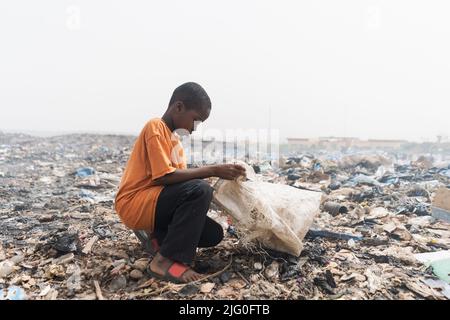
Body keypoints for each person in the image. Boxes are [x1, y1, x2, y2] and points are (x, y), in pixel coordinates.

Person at [115, 82, 246, 283]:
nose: (195, 128)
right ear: (178, 107)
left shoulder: (175, 141)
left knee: (213, 233)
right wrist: (211, 169)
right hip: (134, 203)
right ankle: (162, 262)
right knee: (200, 190)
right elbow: (164, 177)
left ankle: (158, 237)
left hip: (154, 204)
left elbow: (179, 185)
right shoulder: (155, 127)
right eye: (196, 120)